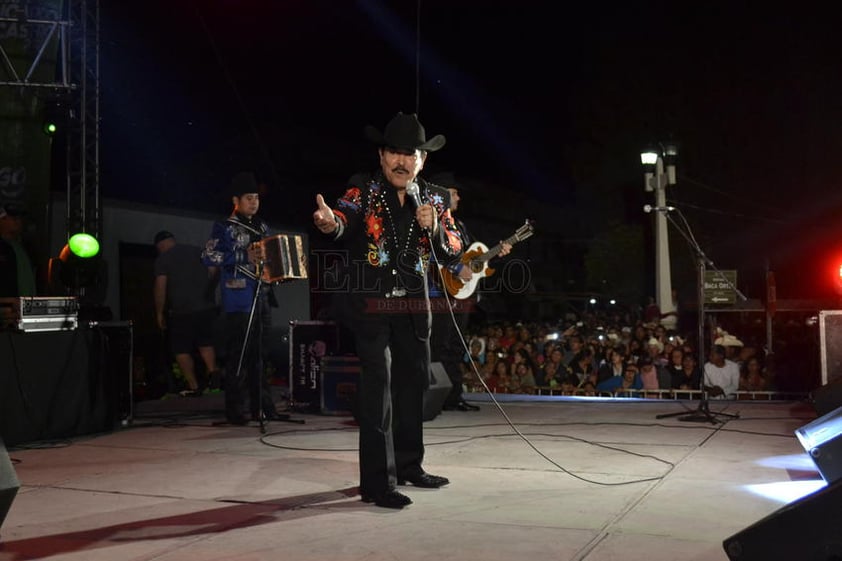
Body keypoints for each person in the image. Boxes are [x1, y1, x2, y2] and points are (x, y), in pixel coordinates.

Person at [312, 112, 463, 510]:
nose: (401, 161)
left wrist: (433, 229)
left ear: (422, 159)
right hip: (372, 307)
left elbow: (452, 254)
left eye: (409, 154)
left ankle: (411, 466)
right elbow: (342, 219)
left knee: (414, 386)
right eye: (394, 152)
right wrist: (330, 224)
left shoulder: (433, 197)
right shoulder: (363, 189)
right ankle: (377, 484)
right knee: (378, 390)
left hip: (415, 307)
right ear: (381, 155)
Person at [201, 172, 279, 425]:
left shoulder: (264, 227)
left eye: (256, 197)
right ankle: (236, 410)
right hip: (238, 298)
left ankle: (263, 408)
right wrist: (242, 256)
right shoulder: (224, 227)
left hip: (262, 296)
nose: (254, 203)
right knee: (239, 354)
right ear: (236, 200)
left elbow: (272, 258)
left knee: (261, 355)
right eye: (249, 198)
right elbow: (208, 256)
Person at [428, 173, 510, 411]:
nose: (458, 197)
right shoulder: (432, 222)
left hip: (461, 294)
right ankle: (435, 397)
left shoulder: (460, 226)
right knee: (438, 345)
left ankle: (453, 397)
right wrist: (455, 268)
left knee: (456, 345)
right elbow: (435, 254)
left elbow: (475, 259)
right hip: (440, 291)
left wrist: (497, 253)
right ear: (441, 195)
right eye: (454, 193)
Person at [153, 230, 220, 397]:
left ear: (161, 246)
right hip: (205, 307)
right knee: (206, 343)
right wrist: (209, 291)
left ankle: (193, 386)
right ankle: (214, 381)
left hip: (181, 311)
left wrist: (159, 312)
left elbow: (160, 287)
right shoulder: (197, 251)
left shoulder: (163, 259)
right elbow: (213, 269)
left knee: (180, 349)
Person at [0, 202, 36, 297]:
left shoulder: (24, 247)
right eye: (13, 218)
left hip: (22, 306)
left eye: (19, 218)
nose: (18, 221)